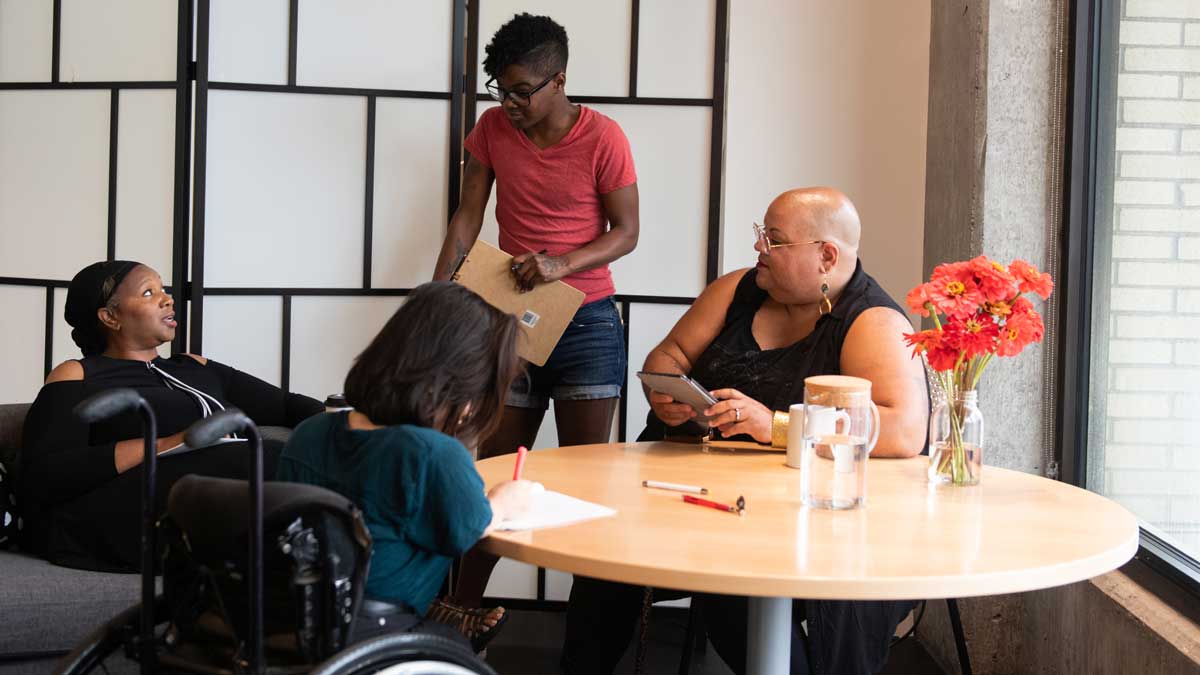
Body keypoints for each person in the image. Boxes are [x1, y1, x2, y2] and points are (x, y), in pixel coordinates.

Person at [562, 188, 929, 675]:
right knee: (603, 565)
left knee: (736, 594)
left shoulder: (870, 321)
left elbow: (904, 432)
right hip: (697, 500)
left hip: (800, 520)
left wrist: (773, 425)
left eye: (774, 240)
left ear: (826, 256)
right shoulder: (737, 290)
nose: (760, 248)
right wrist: (669, 394)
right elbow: (668, 355)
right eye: (762, 234)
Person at [431, 11, 640, 614]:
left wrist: (560, 263)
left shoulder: (604, 137)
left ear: (560, 80)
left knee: (583, 480)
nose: (511, 103)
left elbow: (625, 234)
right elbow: (468, 217)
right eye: (502, 89)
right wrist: (440, 290)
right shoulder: (492, 129)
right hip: (509, 315)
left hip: (588, 320)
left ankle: (587, 636)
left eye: (522, 91)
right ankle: (458, 616)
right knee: (497, 476)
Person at [276, 282, 539, 652]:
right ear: (462, 384)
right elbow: (469, 528)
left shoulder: (311, 432)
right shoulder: (433, 452)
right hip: (376, 629)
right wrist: (505, 501)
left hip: (294, 618)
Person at [20, 260, 324, 572]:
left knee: (298, 458)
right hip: (126, 508)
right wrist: (166, 443)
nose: (168, 299)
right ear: (110, 316)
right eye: (148, 292)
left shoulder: (194, 367)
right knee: (265, 459)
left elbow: (288, 406)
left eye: (163, 290)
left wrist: (344, 424)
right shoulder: (79, 373)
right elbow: (45, 472)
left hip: (220, 493)